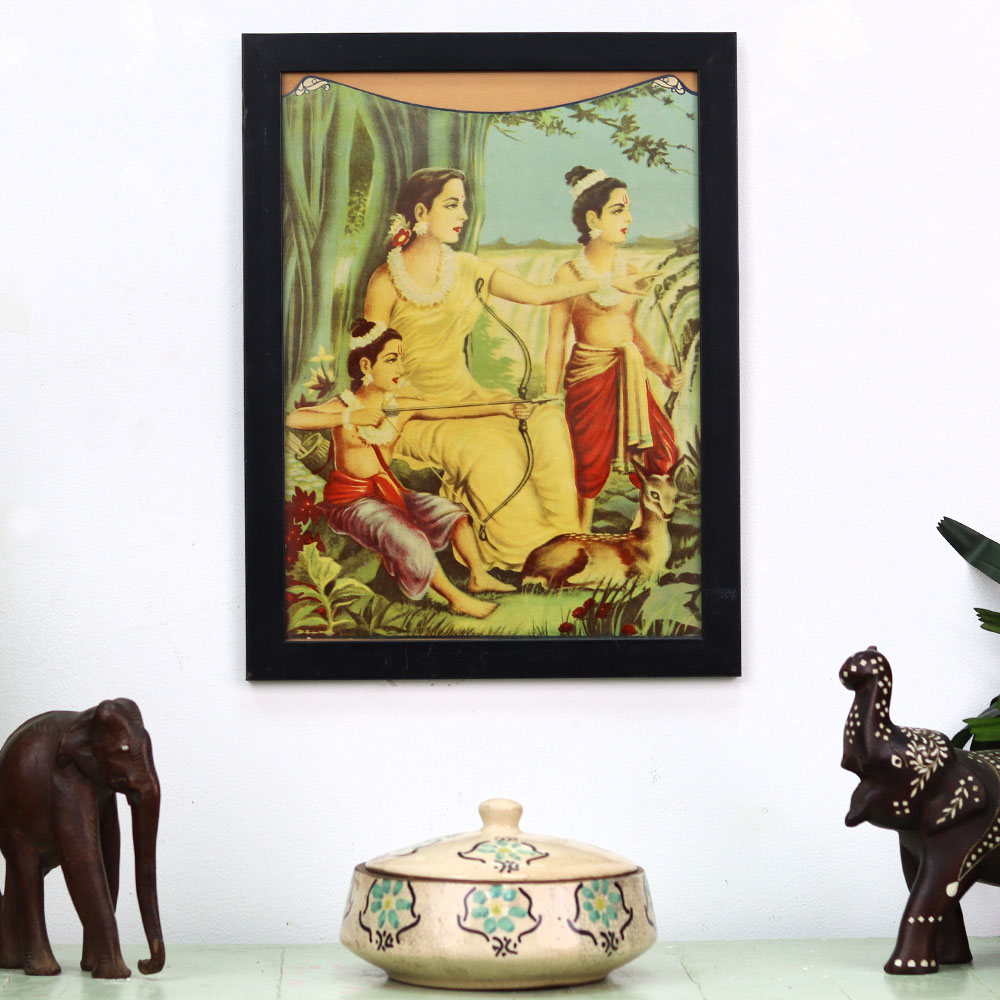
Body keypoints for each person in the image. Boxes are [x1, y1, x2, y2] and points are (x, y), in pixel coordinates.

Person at [363, 167, 658, 569]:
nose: (463, 214)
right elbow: (373, 373)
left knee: (547, 424)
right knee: (494, 448)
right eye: (452, 205)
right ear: (421, 212)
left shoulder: (468, 267)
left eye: (463, 204)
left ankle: (567, 546)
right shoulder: (385, 281)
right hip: (418, 411)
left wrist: (602, 282)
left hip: (470, 395)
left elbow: (538, 295)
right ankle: (525, 557)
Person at [286, 320, 533, 618]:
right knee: (410, 539)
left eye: (401, 359)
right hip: (352, 503)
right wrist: (349, 417)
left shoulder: (399, 406)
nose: (400, 368)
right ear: (366, 365)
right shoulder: (344, 405)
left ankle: (478, 576)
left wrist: (505, 408)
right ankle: (456, 599)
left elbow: (453, 408)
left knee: (451, 513)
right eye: (391, 360)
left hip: (390, 494)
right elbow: (295, 419)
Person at [544, 166, 684, 531]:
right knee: (589, 460)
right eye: (618, 210)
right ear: (593, 218)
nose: (629, 218)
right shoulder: (569, 274)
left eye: (628, 209)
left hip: (630, 373)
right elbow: (556, 340)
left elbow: (631, 330)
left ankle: (643, 533)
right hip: (588, 375)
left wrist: (661, 368)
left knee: (663, 451)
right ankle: (580, 534)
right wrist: (549, 397)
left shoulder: (632, 270)